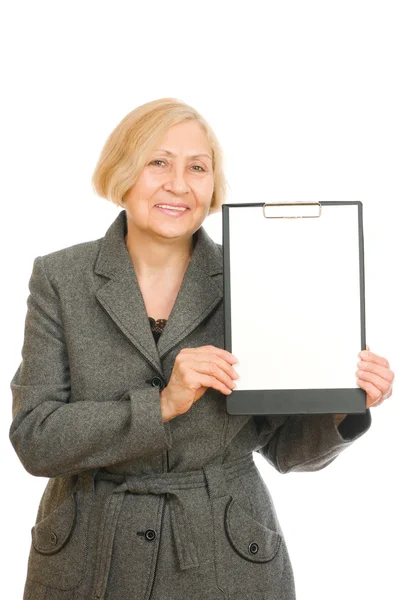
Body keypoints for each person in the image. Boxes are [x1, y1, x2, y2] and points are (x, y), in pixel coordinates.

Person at [9, 97, 394, 600]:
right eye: (158, 162)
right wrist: (162, 405)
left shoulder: (258, 275)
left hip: (225, 556)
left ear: (213, 183)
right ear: (123, 171)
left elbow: (284, 450)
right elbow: (36, 439)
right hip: (90, 555)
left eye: (198, 167)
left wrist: (347, 405)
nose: (178, 183)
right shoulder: (60, 278)